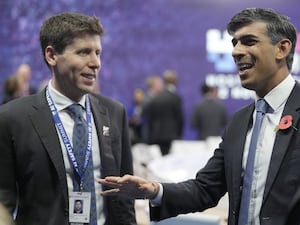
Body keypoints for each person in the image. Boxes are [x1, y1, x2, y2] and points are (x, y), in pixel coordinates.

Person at [99, 8, 300, 225]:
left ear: (282, 48)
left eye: (249, 41)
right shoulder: (240, 122)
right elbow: (205, 189)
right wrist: (154, 190)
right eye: (235, 43)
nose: (236, 52)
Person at [0, 12, 136, 225]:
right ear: (52, 55)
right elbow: (3, 201)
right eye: (84, 52)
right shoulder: (12, 118)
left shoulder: (114, 113)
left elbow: (124, 198)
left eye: (98, 53)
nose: (95, 63)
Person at [142, 71, 184, 155]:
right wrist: (179, 134)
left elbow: (150, 118)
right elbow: (180, 118)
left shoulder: (156, 97)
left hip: (156, 134)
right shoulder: (174, 97)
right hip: (169, 136)